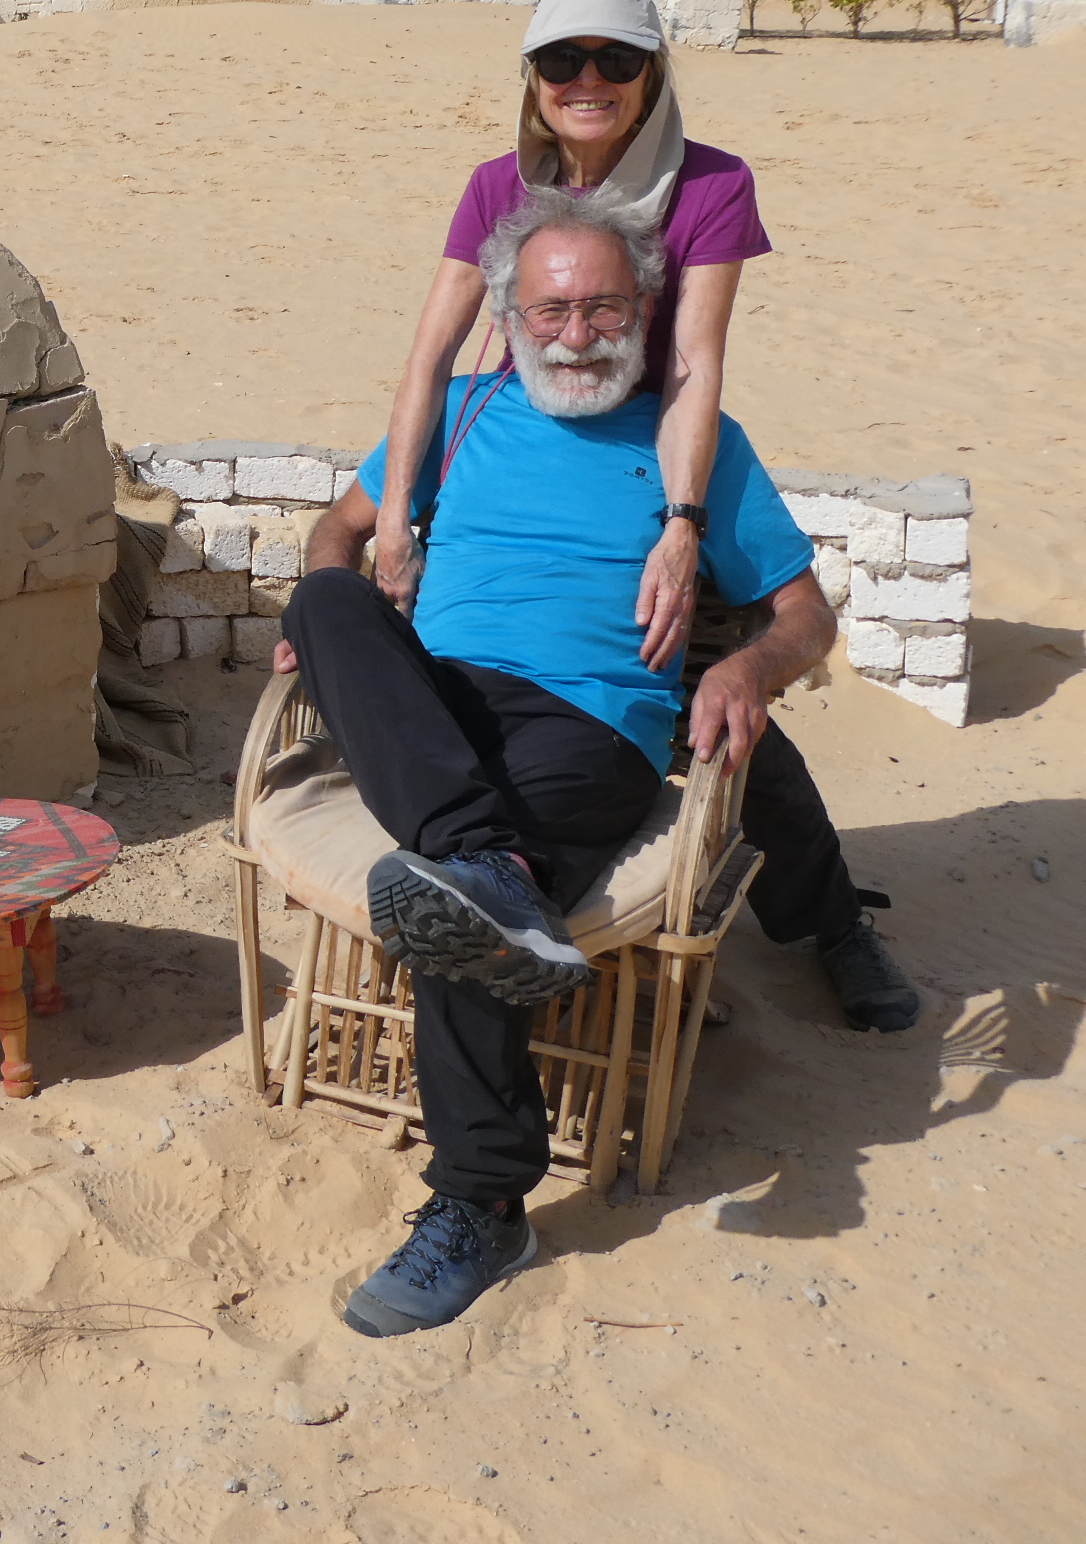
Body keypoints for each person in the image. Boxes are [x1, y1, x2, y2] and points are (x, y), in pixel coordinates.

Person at [276, 195, 877, 1337]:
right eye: (549, 310)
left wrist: (745, 667)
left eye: (604, 307)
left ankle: (480, 1203)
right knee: (322, 601)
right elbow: (337, 533)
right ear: (506, 317)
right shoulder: (457, 415)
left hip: (589, 723)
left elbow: (804, 615)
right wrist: (346, 585)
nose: (576, 334)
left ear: (646, 310)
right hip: (433, 712)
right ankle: (483, 862)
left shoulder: (694, 442)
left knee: (459, 908)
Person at [371, 0, 913, 1032]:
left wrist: (681, 522)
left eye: (616, 59)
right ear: (531, 79)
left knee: (728, 720)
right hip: (537, 423)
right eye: (561, 60)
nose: (588, 80)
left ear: (652, 75)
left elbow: (693, 365)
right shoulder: (495, 186)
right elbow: (429, 356)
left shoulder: (710, 185)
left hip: (645, 444)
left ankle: (834, 923)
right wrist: (395, 519)